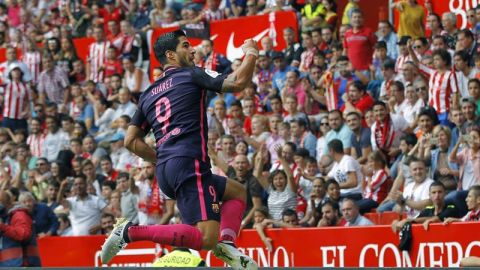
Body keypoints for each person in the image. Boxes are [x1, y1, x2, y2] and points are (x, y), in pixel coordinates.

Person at [101, 30, 259, 270]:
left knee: (236, 192)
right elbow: (238, 82)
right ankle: (130, 232)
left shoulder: (147, 95)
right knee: (206, 239)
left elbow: (130, 141)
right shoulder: (191, 75)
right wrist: (251, 53)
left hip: (166, 169)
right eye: (186, 45)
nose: (193, 49)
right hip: (189, 163)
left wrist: (162, 157)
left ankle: (228, 246)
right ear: (171, 54)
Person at [391, 182, 459, 232]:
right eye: (434, 192)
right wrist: (397, 222)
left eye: (440, 192)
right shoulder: (429, 209)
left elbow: (437, 218)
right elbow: (416, 220)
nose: (437, 195)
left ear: (445, 194)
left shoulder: (451, 207)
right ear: (429, 195)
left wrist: (408, 220)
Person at [0, 190, 41, 267]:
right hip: (8, 265)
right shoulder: (5, 218)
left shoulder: (19, 215)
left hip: (23, 264)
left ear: (7, 203)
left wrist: (2, 226)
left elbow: (24, 234)